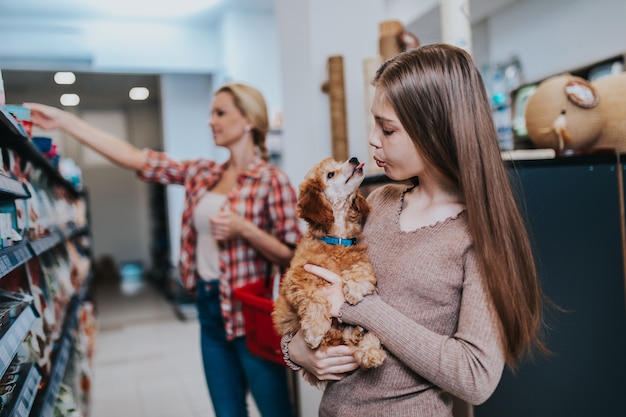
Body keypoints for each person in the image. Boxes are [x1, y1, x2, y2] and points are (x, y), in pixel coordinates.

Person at [282, 43, 548, 416]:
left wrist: (362, 307)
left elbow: (475, 377)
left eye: (387, 129)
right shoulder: (381, 201)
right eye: (375, 123)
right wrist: (294, 349)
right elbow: (313, 291)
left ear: (435, 131)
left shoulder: (476, 237)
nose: (373, 139)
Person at [25, 82, 301, 417]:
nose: (210, 120)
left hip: (252, 314)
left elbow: (293, 254)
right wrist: (66, 122)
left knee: (277, 412)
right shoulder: (204, 174)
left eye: (220, 112)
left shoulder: (273, 180)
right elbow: (136, 158)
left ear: (248, 120)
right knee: (227, 412)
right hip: (210, 307)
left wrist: (245, 230)